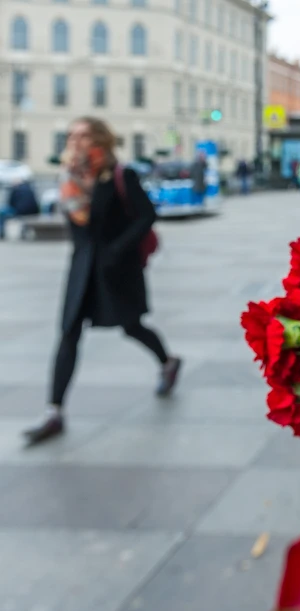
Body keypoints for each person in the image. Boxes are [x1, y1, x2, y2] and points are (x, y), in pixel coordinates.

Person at [24, 117, 182, 445]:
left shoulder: (121, 175)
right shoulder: (69, 177)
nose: (76, 141)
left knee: (131, 326)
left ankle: (167, 362)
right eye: (71, 135)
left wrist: (117, 249)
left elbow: (146, 215)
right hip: (82, 268)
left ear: (100, 138)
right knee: (68, 333)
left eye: (83, 135)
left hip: (117, 267)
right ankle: (54, 411)